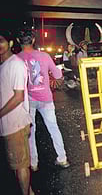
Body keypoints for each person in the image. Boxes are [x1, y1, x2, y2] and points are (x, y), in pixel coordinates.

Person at [16, 28, 70, 171]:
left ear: (17, 42)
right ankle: (62, 159)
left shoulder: (16, 59)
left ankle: (33, 163)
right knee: (53, 128)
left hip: (28, 101)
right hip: (46, 98)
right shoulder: (45, 56)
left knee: (31, 132)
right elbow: (59, 76)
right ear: (33, 40)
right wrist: (51, 86)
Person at [0, 30, 34, 195]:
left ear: (11, 43)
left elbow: (19, 97)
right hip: (8, 124)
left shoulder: (16, 64)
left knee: (20, 165)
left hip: (16, 123)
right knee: (17, 165)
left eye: (1, 40)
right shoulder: (4, 65)